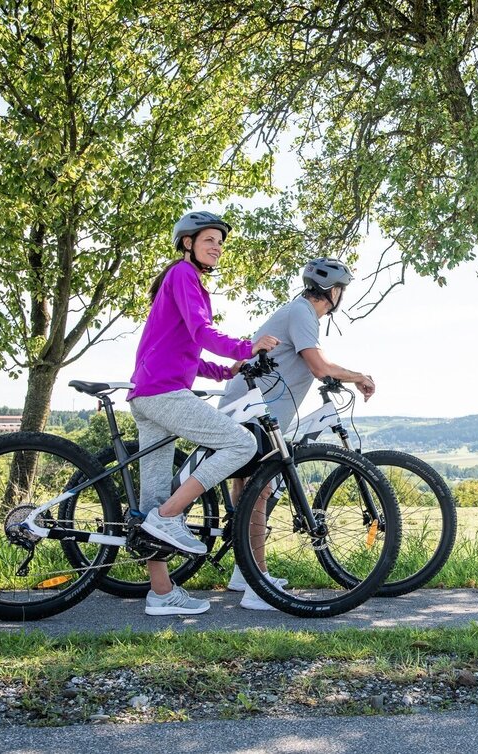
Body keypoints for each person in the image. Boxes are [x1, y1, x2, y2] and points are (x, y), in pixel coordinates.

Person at [128, 210, 279, 617]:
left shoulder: (181, 279)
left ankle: (160, 594)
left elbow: (184, 351)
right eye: (209, 239)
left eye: (220, 242)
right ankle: (170, 515)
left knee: (153, 497)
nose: (216, 247)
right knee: (241, 442)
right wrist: (248, 348)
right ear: (187, 243)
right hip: (163, 393)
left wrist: (224, 369)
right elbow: (201, 332)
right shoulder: (183, 275)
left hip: (150, 392)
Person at [218, 257, 375, 609]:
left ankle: (244, 573)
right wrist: (359, 376)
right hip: (252, 412)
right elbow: (319, 366)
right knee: (259, 491)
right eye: (341, 290)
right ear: (333, 292)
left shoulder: (297, 312)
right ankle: (257, 585)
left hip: (250, 408)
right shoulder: (303, 313)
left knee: (251, 488)